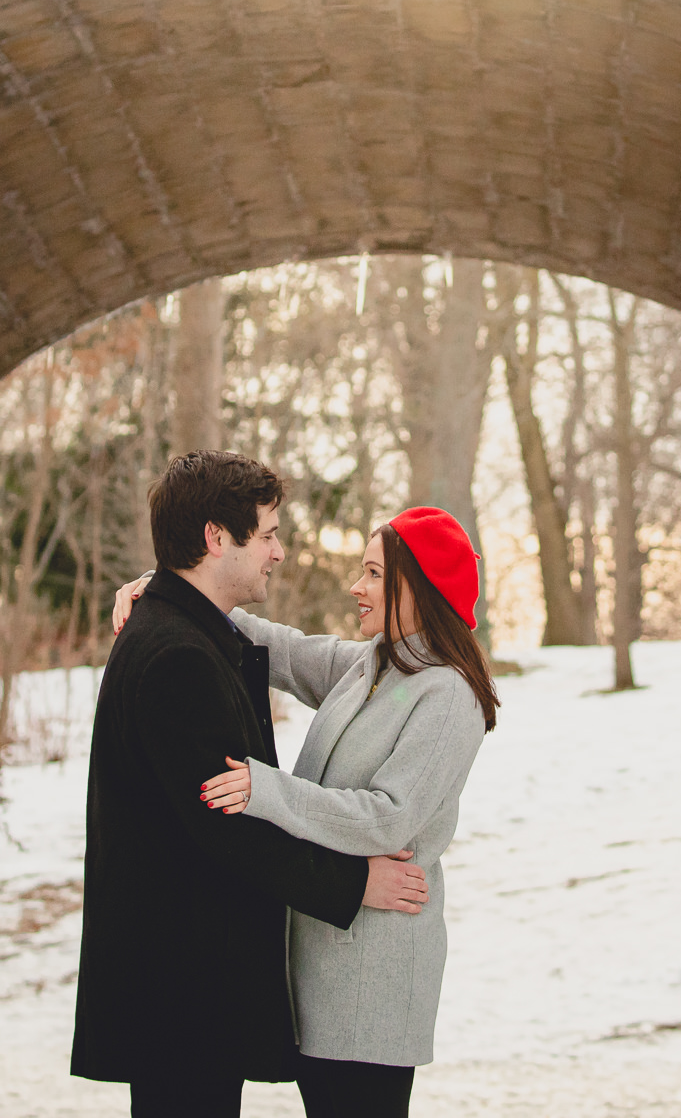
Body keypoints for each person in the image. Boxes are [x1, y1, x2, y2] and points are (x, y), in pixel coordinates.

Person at [71, 451, 432, 1118]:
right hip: (182, 991)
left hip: (180, 990)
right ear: (215, 537)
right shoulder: (179, 655)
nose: (279, 552)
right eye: (266, 534)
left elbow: (299, 658)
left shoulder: (184, 630)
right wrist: (355, 884)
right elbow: (227, 831)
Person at [111, 505, 500, 1118]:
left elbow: (387, 818)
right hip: (322, 967)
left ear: (417, 587)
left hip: (372, 977)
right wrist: (171, 592)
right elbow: (284, 651)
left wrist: (266, 792)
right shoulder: (376, 663)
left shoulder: (446, 693)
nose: (357, 587)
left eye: (375, 574)